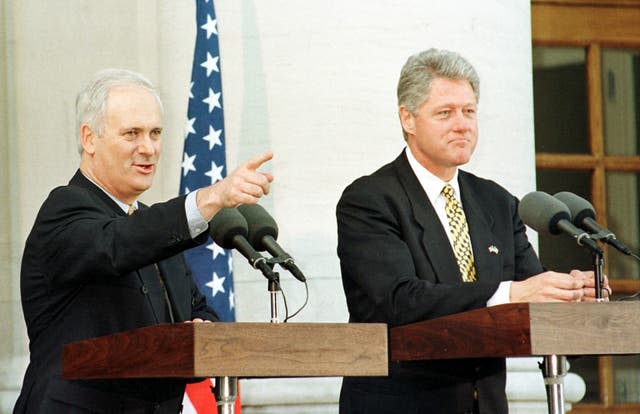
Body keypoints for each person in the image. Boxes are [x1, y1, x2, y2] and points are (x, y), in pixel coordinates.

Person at [336, 49, 608, 414]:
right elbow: (399, 299)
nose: (462, 124)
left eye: (469, 111)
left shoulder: (496, 201)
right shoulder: (370, 199)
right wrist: (510, 293)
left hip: (486, 404)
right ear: (408, 118)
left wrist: (570, 295)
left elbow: (531, 292)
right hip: (403, 403)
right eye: (445, 113)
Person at [14, 69, 273, 413]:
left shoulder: (153, 228)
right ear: (89, 139)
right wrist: (208, 199)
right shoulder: (64, 210)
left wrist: (202, 329)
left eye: (155, 133)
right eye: (131, 133)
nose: (148, 148)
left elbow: (197, 308)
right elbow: (117, 244)